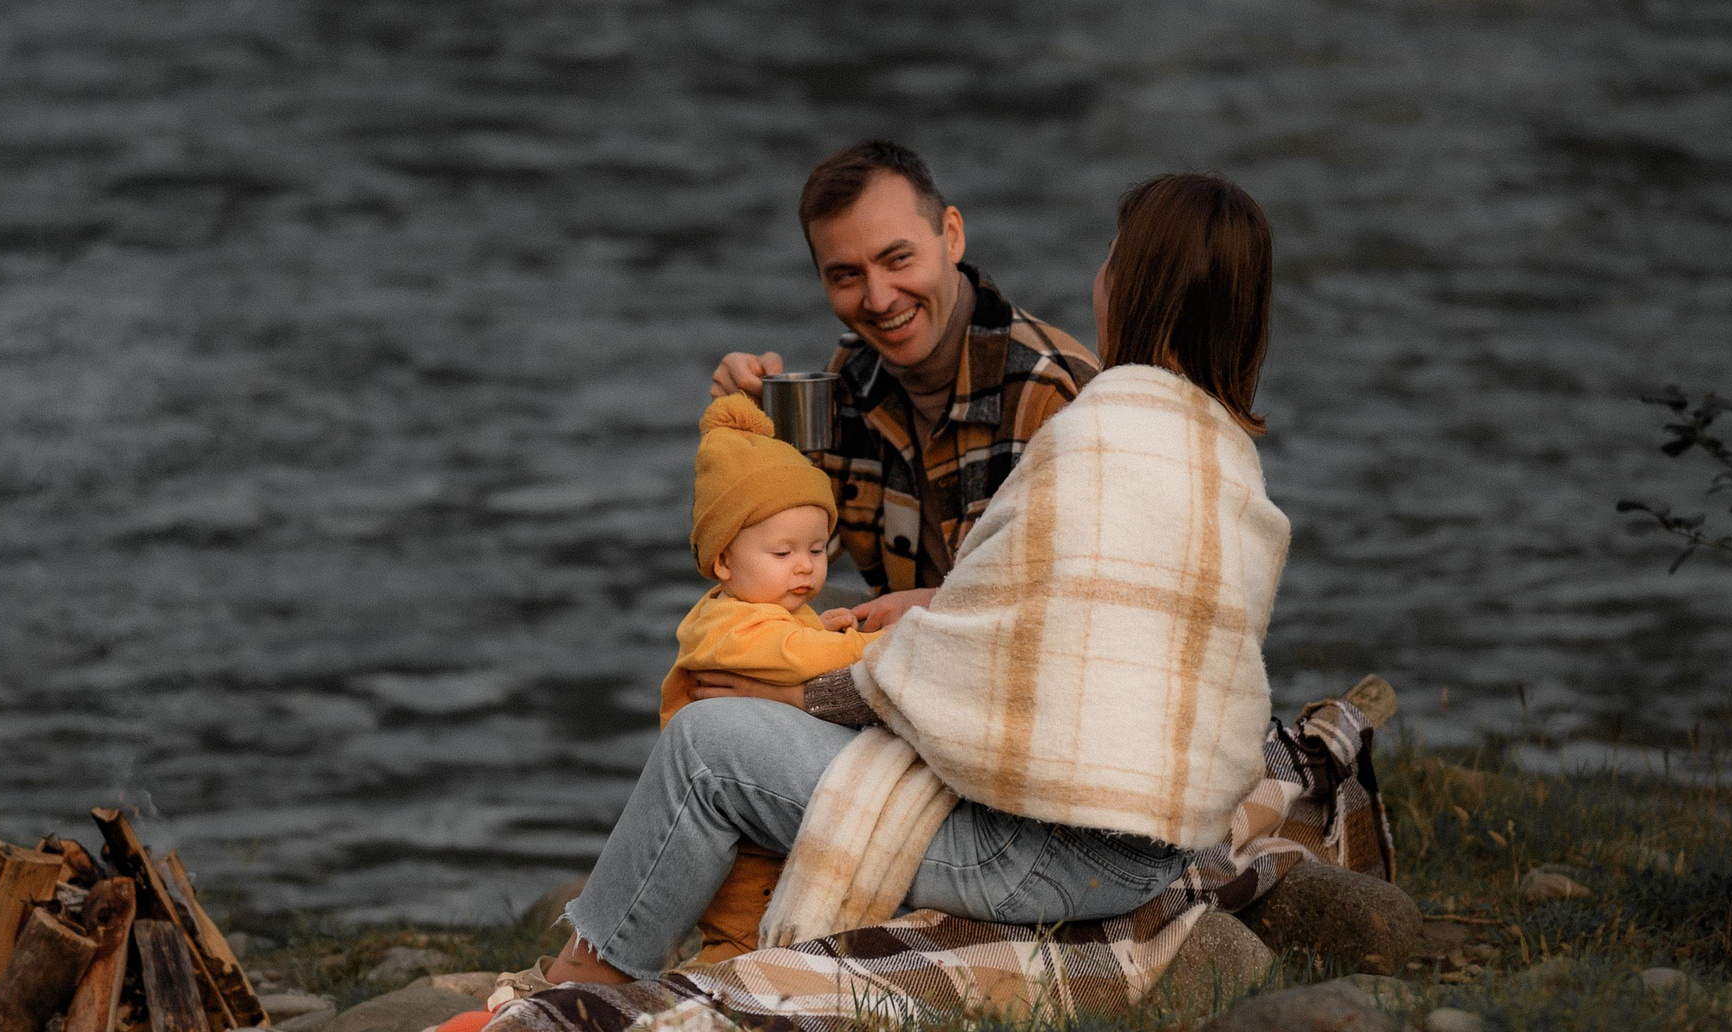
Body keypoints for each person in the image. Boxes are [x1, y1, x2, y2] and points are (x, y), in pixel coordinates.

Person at [547, 172, 1288, 987]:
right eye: (844, 273)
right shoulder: (1219, 447)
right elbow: (1103, 620)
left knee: (706, 747)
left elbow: (1006, 663)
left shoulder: (1088, 423)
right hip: (1161, 828)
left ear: (1136, 280)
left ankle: (586, 987)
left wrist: (794, 696)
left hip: (1058, 848)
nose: (1097, 279)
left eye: (1111, 257)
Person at [711, 140, 1098, 639]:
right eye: (847, 275)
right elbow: (775, 561)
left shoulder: (1053, 392)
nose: (878, 298)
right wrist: (748, 441)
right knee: (725, 626)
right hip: (914, 666)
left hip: (1021, 682)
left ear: (952, 236)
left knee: (714, 715)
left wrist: (938, 608)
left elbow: (1091, 609)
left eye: (897, 259)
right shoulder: (855, 371)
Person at [657, 394, 884, 963]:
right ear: (724, 562)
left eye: (816, 548)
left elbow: (799, 643)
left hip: (762, 788)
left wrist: (827, 630)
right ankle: (718, 975)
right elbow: (796, 655)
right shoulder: (727, 625)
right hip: (731, 812)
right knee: (740, 914)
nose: (805, 566)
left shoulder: (763, 606)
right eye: (783, 552)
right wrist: (877, 645)